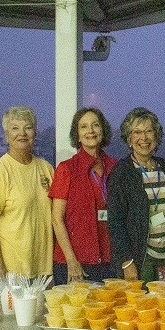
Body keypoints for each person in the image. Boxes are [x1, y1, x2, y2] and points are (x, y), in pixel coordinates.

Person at [0, 106, 54, 277]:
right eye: (15, 128)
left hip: (43, 267)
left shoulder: (46, 168)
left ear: (35, 133)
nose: (22, 133)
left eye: (28, 127)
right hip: (10, 269)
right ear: (6, 135)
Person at [107, 108, 165, 282]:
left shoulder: (164, 167)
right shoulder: (122, 171)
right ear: (129, 139)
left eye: (148, 131)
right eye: (137, 132)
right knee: (142, 300)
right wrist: (126, 261)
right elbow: (115, 222)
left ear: (156, 136)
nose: (144, 138)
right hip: (140, 259)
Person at [49, 108, 117, 284]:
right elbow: (57, 219)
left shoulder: (115, 167)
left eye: (95, 125)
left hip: (110, 259)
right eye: (84, 127)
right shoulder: (66, 169)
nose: (90, 131)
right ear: (77, 135)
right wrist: (71, 260)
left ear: (103, 130)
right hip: (75, 262)